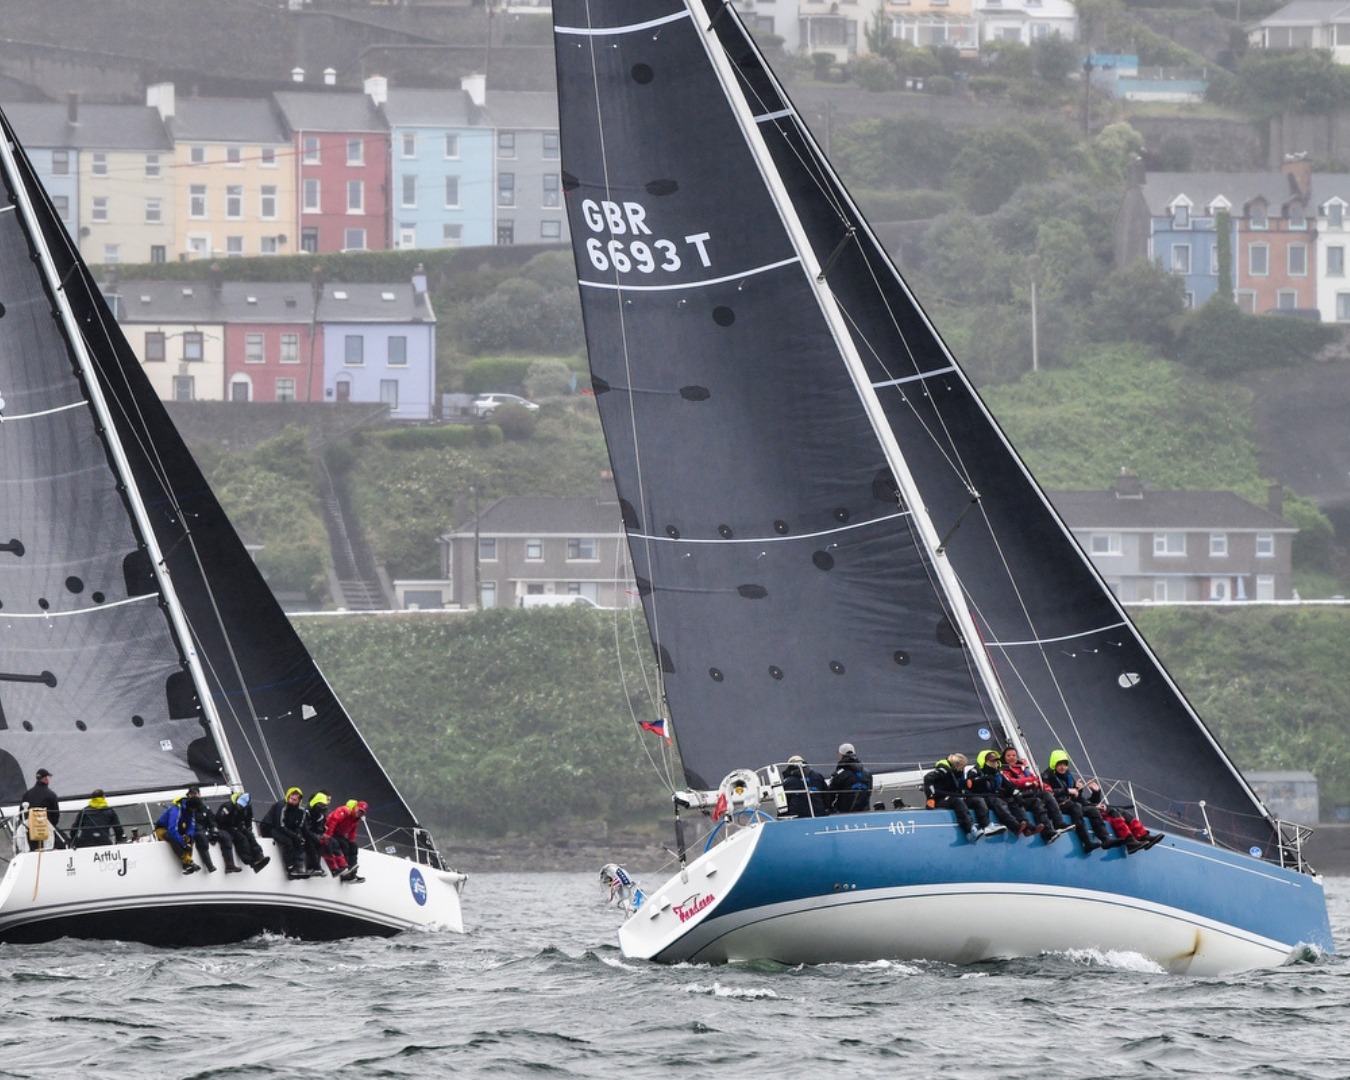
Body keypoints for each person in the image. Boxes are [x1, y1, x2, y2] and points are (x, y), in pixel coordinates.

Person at [1040, 750, 1127, 853]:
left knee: (1093, 810)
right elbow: (1047, 793)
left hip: (1071, 804)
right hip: (1056, 806)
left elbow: (1078, 798)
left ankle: (1105, 839)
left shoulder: (1068, 775)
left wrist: (1094, 796)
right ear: (1054, 763)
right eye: (1060, 764)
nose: (1063, 767)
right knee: (1076, 807)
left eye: (1065, 764)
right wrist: (1068, 791)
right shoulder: (1046, 776)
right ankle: (1087, 842)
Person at [1000, 747, 1072, 844]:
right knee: (1037, 801)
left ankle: (1055, 826)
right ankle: (1046, 830)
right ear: (1004, 758)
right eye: (1009, 755)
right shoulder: (1003, 770)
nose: (1012, 757)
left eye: (1014, 755)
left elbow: (1037, 779)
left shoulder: (1023, 768)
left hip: (1029, 795)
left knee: (1044, 797)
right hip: (1017, 797)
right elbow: (1012, 782)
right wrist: (1029, 781)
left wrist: (1047, 788)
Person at [923, 754, 991, 843]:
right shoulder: (944, 771)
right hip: (941, 799)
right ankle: (970, 828)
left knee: (976, 799)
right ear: (956, 765)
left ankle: (986, 825)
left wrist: (966, 783)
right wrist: (931, 797)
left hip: (954, 796)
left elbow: (958, 786)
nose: (963, 769)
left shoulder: (957, 772)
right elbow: (928, 778)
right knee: (957, 801)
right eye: (962, 767)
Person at [260, 787, 318, 880]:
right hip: (270, 827)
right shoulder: (282, 806)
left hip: (285, 829)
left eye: (294, 800)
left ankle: (298, 867)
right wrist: (294, 835)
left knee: (301, 842)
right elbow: (280, 825)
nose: (291, 801)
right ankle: (290, 868)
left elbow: (298, 826)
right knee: (288, 842)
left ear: (299, 801)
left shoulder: (300, 811)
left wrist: (299, 836)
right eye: (291, 798)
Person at [965, 752, 1024, 837]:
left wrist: (1016, 793)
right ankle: (1014, 826)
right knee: (997, 802)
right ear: (984, 761)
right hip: (978, 796)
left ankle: (1025, 826)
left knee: (1012, 801)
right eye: (991, 761)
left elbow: (1010, 785)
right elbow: (970, 784)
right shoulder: (974, 771)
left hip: (992, 796)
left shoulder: (998, 773)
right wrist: (983, 779)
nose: (994, 763)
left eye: (996, 761)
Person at [215, 792, 270, 873]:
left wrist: (248, 829)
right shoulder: (228, 806)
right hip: (225, 826)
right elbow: (219, 820)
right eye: (239, 804)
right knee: (241, 838)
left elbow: (248, 820)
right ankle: (250, 862)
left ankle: (259, 855)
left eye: (242, 805)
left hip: (237, 825)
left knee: (249, 835)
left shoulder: (247, 809)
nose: (239, 806)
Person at [155, 788, 201, 874]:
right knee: (172, 838)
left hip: (178, 829)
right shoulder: (176, 810)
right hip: (162, 829)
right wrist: (183, 843)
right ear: (190, 807)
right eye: (194, 810)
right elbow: (172, 829)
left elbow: (191, 826)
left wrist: (188, 836)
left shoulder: (191, 811)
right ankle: (188, 861)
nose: (194, 811)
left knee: (190, 839)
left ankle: (187, 864)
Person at [323, 800, 368, 883]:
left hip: (339, 835)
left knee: (353, 846)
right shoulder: (344, 810)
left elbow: (353, 832)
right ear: (356, 807)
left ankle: (352, 873)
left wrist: (352, 843)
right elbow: (333, 822)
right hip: (330, 832)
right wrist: (329, 836)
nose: (360, 813)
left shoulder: (356, 819)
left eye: (362, 812)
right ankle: (345, 871)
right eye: (359, 810)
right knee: (344, 845)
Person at [19, 768, 61, 851]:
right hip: (46, 833)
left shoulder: (27, 794)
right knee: (64, 842)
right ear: (46, 779)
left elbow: (21, 815)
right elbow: (55, 818)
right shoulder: (51, 795)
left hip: (29, 834)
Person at [826, 743, 873, 814]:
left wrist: (829, 809)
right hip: (863, 812)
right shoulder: (867, 773)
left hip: (843, 812)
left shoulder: (839, 774)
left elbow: (830, 795)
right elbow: (868, 793)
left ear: (841, 756)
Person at [305, 791, 335, 876]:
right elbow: (304, 828)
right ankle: (313, 867)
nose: (321, 807)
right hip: (304, 833)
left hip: (313, 833)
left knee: (321, 843)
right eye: (320, 805)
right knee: (310, 843)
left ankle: (318, 867)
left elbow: (319, 828)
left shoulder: (320, 814)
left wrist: (321, 836)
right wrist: (317, 837)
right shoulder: (306, 812)